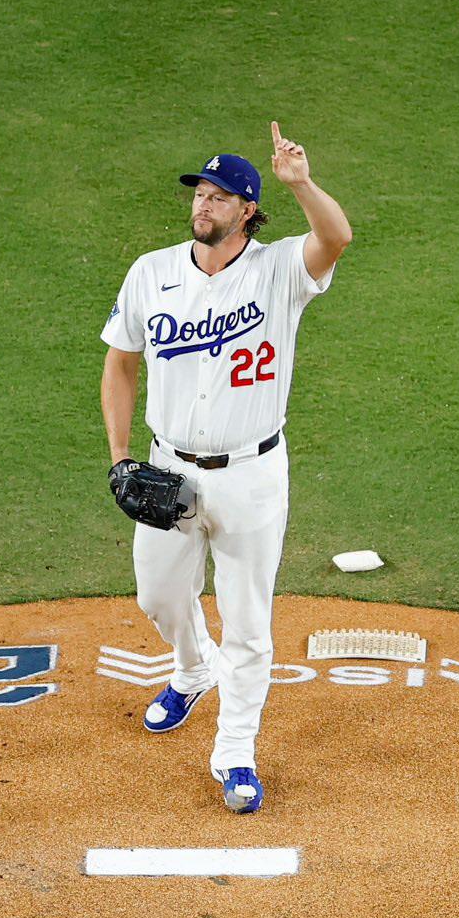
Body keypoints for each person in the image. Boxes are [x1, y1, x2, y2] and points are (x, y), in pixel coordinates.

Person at [98, 122, 353, 813]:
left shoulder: (280, 270)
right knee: (157, 596)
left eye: (217, 196)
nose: (202, 205)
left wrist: (302, 182)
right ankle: (191, 670)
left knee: (248, 624)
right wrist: (120, 456)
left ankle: (235, 751)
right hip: (169, 467)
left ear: (247, 210)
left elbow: (337, 238)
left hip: (251, 475)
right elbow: (120, 364)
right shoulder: (151, 272)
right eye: (198, 194)